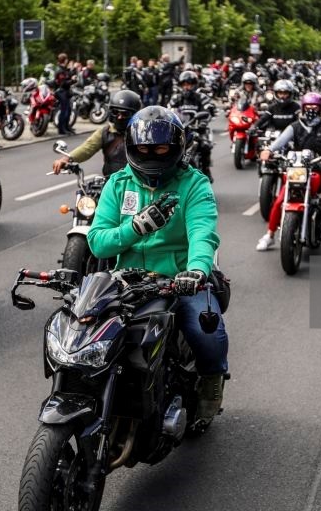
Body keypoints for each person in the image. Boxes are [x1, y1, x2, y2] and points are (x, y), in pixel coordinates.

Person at [87, 106, 228, 427]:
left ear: (176, 147)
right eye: (144, 148)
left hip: (180, 279)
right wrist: (134, 228)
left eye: (161, 147)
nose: (152, 154)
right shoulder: (118, 184)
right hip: (125, 281)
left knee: (207, 330)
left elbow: (203, 235)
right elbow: (97, 241)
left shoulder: (194, 185)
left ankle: (211, 387)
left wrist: (196, 271)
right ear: (131, 148)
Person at [255, 92, 321, 258]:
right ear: (303, 107)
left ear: (320, 108)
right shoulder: (295, 126)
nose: (311, 110)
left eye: (314, 107)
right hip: (298, 170)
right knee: (279, 203)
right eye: (308, 107)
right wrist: (268, 150)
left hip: (319, 169)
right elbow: (280, 141)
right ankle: (270, 235)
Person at [52, 90, 143, 177]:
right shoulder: (105, 132)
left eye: (125, 114)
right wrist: (67, 159)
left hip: (138, 185)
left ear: (135, 115)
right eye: (115, 112)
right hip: (111, 184)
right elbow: (87, 148)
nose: (119, 117)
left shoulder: (143, 133)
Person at [168, 70, 215, 182]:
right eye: (184, 85)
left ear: (194, 85)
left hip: (198, 129)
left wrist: (203, 122)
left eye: (189, 84)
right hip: (180, 129)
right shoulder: (176, 98)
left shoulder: (201, 97)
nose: (186, 87)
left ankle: (206, 168)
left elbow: (208, 110)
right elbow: (168, 112)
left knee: (204, 146)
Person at [54, 53, 75, 135]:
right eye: (66, 59)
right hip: (61, 92)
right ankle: (61, 129)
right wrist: (72, 80)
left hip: (65, 92)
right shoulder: (60, 70)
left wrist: (72, 73)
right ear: (64, 60)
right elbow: (63, 83)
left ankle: (66, 127)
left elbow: (69, 78)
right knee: (64, 111)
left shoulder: (64, 69)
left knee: (68, 110)